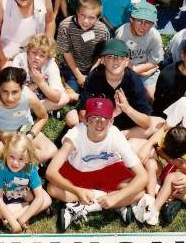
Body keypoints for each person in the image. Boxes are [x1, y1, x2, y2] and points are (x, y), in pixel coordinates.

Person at [47, 96, 148, 231]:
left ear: (111, 121)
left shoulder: (116, 135)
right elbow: (50, 172)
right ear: (85, 120)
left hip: (108, 170)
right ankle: (114, 203)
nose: (99, 123)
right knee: (53, 189)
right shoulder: (75, 135)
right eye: (94, 117)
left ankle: (85, 207)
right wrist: (77, 190)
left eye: (104, 118)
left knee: (139, 192)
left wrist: (117, 196)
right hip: (79, 171)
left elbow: (143, 176)